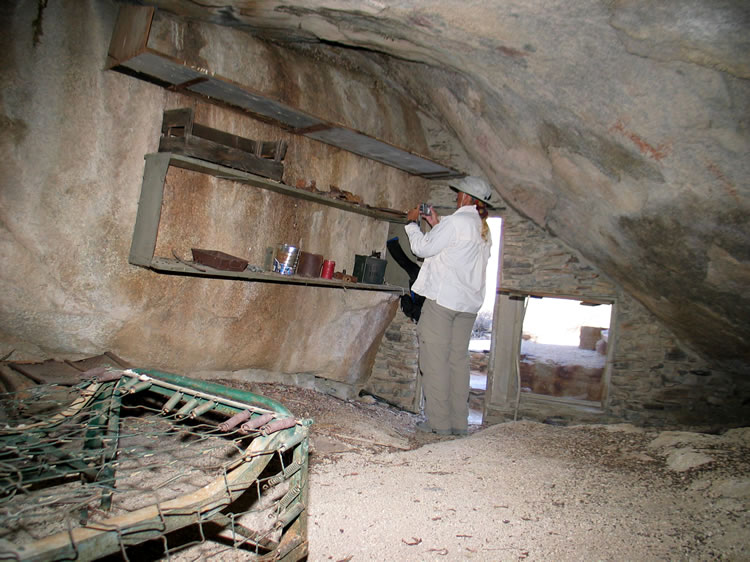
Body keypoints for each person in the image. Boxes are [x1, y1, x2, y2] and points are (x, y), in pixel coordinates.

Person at [405, 176, 494, 436]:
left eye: (458, 194)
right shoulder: (482, 228)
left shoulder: (456, 222)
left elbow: (422, 249)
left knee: (435, 362)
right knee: (457, 362)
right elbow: (453, 248)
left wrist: (412, 223)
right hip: (467, 307)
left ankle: (439, 425)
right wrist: (435, 223)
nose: (456, 197)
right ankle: (458, 424)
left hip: (443, 303)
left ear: (466, 197)